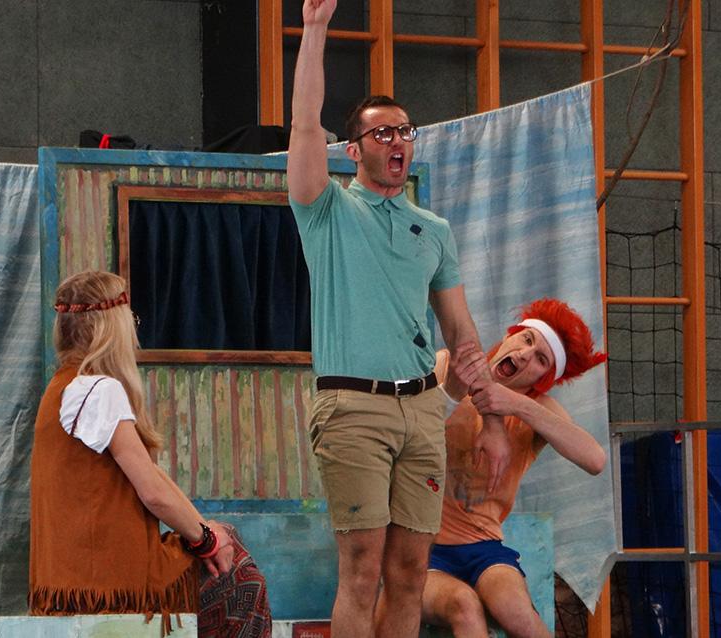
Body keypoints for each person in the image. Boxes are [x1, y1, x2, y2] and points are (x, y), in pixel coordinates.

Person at [286, 2, 510, 636]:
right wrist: (315, 29)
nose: (397, 142)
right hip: (353, 406)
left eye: (405, 131)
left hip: (422, 409)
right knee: (362, 569)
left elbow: (462, 336)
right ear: (353, 150)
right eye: (382, 133)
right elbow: (304, 124)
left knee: (411, 571)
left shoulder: (433, 229)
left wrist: (492, 419)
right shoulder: (327, 209)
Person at [29, 270, 271, 637]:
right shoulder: (99, 389)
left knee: (226, 537)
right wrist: (207, 541)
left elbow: (155, 478)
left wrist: (207, 532)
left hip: (64, 583)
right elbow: (153, 494)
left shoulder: (62, 388)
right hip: (107, 585)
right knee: (240, 577)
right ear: (113, 328)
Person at [421, 298, 608, 638]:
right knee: (464, 605)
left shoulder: (535, 408)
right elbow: (411, 420)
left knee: (517, 613)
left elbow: (595, 459)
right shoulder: (447, 366)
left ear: (543, 378)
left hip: (483, 549)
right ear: (511, 335)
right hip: (422, 547)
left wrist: (517, 404)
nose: (524, 355)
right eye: (526, 339)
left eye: (541, 359)